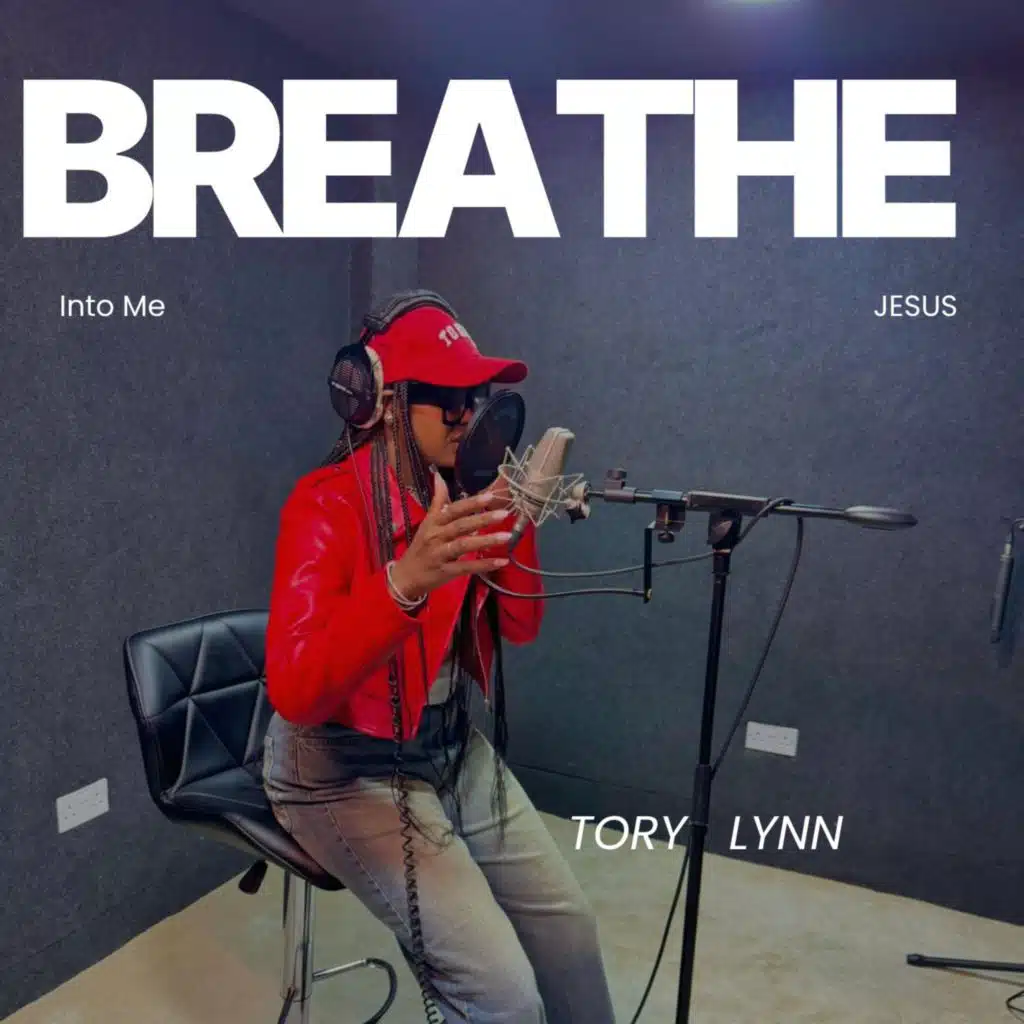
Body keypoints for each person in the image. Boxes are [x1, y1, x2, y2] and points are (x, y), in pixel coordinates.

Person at [261, 293, 617, 1023]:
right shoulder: (325, 503)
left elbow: (520, 628)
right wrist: (404, 581)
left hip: (450, 744)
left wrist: (517, 519)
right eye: (445, 398)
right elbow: (295, 690)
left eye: (474, 398)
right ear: (383, 402)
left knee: (569, 933)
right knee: (503, 997)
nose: (466, 416)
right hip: (340, 764)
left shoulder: (461, 492)